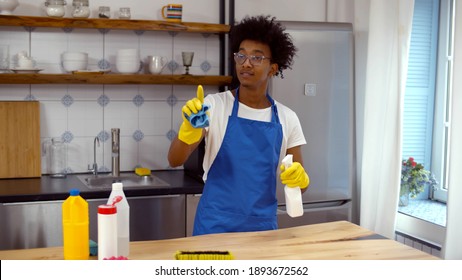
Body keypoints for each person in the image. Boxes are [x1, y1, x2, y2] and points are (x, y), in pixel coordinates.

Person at [168, 15, 309, 236]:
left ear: (273, 68)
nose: (246, 63)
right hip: (214, 226)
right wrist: (188, 130)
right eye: (241, 55)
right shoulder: (213, 106)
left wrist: (300, 178)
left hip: (262, 230)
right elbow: (174, 160)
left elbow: (300, 186)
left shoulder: (287, 118)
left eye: (257, 57)